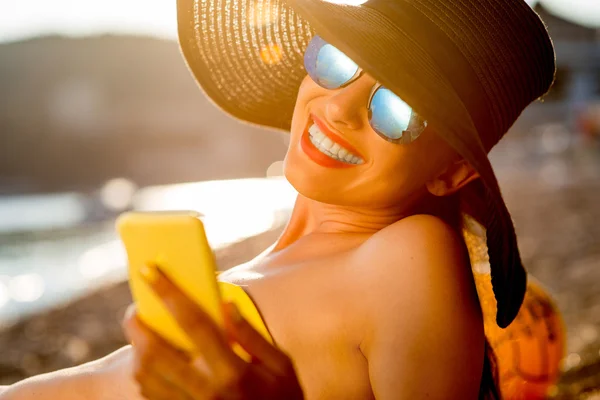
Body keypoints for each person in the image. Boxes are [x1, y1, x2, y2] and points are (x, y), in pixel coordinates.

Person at [0, 0, 557, 399]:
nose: (339, 109)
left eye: (398, 108)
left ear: (452, 171)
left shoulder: (409, 255)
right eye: (339, 62)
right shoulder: (297, 260)